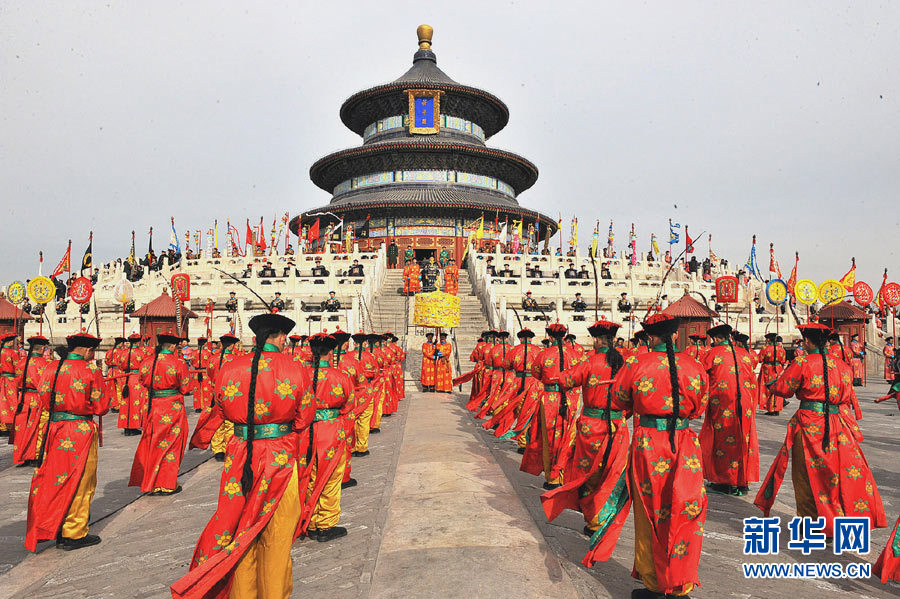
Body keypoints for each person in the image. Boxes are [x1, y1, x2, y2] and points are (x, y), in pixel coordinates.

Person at [171, 313, 314, 598]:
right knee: (276, 536)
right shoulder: (296, 368)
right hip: (279, 456)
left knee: (240, 531)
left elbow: (220, 410)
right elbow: (304, 418)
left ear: (255, 338)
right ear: (282, 338)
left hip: (240, 454)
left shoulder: (230, 367)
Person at [606, 313, 709, 597]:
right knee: (685, 511)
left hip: (649, 446)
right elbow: (700, 408)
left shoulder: (637, 363)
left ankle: (653, 582)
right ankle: (681, 583)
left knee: (650, 513)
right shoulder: (695, 365)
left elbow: (617, 399)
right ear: (675, 335)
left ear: (650, 337)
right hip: (685, 444)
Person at [754, 322, 887, 540]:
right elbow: (847, 395)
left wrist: (772, 384)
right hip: (837, 425)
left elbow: (784, 390)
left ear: (807, 341)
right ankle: (835, 521)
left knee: (805, 475)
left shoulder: (802, 362)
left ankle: (810, 523)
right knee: (833, 474)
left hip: (808, 425)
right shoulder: (842, 366)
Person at [541, 320, 630, 567]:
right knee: (609, 475)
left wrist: (558, 375)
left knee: (588, 474)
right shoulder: (625, 362)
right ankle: (604, 517)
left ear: (596, 340)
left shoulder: (589, 362)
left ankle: (593, 521)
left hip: (592, 426)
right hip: (618, 427)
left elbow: (567, 380)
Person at [25, 332, 110, 551]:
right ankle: (74, 532)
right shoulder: (91, 369)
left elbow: (43, 399)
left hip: (54, 429)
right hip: (80, 431)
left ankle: (56, 526)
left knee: (55, 478)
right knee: (82, 479)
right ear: (87, 350)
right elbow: (101, 407)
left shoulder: (50, 367)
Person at [297, 333, 354, 542]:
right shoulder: (340, 377)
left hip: (306, 431)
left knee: (309, 476)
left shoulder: (301, 375)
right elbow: (350, 405)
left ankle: (309, 521)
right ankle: (325, 524)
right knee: (330, 478)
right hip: (331, 431)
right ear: (331, 353)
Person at [129, 334, 194, 495]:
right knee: (171, 445)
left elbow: (142, 381)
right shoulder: (178, 363)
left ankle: (151, 482)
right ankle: (166, 483)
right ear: (172, 347)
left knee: (153, 443)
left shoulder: (147, 362)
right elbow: (186, 388)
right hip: (172, 407)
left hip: (153, 406)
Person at [699, 324, 759, 496]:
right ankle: (743, 480)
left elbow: (701, 377)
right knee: (743, 438)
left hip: (723, 402)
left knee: (724, 440)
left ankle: (726, 480)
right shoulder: (745, 355)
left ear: (717, 339)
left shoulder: (712, 354)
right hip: (745, 402)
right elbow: (752, 380)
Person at [197, 333, 241, 461]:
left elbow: (209, 374)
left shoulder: (212, 358)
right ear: (232, 345)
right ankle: (229, 447)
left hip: (215, 392)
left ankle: (218, 450)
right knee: (230, 421)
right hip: (231, 393)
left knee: (217, 420)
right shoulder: (236, 359)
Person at [11, 335, 51, 465]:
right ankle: (35, 455)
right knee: (37, 426)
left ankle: (22, 455)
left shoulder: (21, 362)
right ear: (43, 348)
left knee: (22, 427)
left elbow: (16, 381)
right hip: (37, 398)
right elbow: (46, 385)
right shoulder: (43, 364)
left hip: (23, 397)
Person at [116, 333, 149, 435]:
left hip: (125, 378)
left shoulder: (123, 352)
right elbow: (146, 366)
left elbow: (119, 364)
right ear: (138, 342)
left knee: (126, 402)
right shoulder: (142, 352)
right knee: (137, 403)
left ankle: (126, 427)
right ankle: (134, 426)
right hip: (137, 379)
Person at [757, 332, 787, 415]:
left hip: (768, 370)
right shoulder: (781, 349)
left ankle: (770, 409)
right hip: (778, 369)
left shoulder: (765, 348)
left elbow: (759, 359)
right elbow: (783, 360)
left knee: (768, 389)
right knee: (777, 388)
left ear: (768, 339)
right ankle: (777, 408)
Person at [0, 333, 19, 435]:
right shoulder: (13, 352)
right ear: (11, 341)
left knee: (2, 402)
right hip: (11, 380)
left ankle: (2, 425)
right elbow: (18, 368)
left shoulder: (1, 351)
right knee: (12, 402)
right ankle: (11, 424)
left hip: (1, 379)